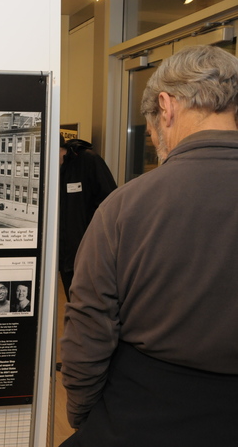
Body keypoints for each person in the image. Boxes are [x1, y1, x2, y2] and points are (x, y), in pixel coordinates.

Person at [60, 45, 238, 446]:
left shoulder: (124, 207)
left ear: (166, 107)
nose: (155, 139)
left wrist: (84, 416)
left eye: (152, 128)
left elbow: (89, 329)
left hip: (144, 413)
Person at [59, 134, 116, 301]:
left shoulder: (88, 161)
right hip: (64, 257)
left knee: (91, 304)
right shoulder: (46, 170)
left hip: (90, 255)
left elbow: (110, 203)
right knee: (74, 303)